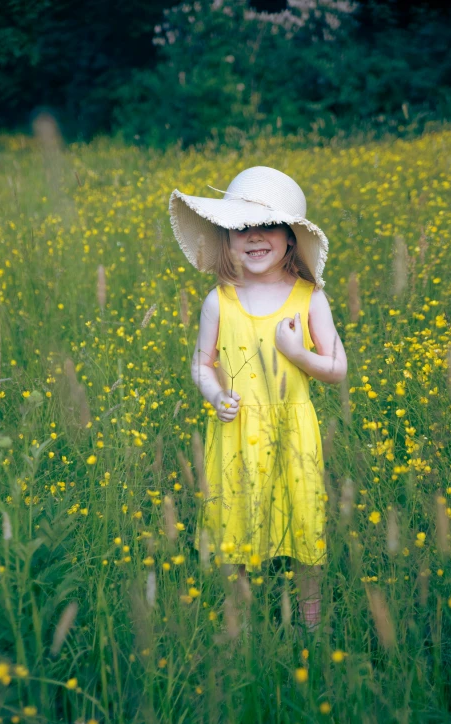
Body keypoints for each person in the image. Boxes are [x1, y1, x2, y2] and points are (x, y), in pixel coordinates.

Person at [169, 166, 348, 634]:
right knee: (237, 523)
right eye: (240, 229)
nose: (253, 237)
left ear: (290, 238)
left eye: (266, 226)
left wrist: (296, 353)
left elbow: (337, 370)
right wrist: (214, 395)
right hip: (236, 431)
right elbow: (200, 363)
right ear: (227, 241)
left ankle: (310, 619)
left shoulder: (310, 298)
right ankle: (240, 621)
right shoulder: (219, 300)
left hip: (294, 429)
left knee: (304, 521)